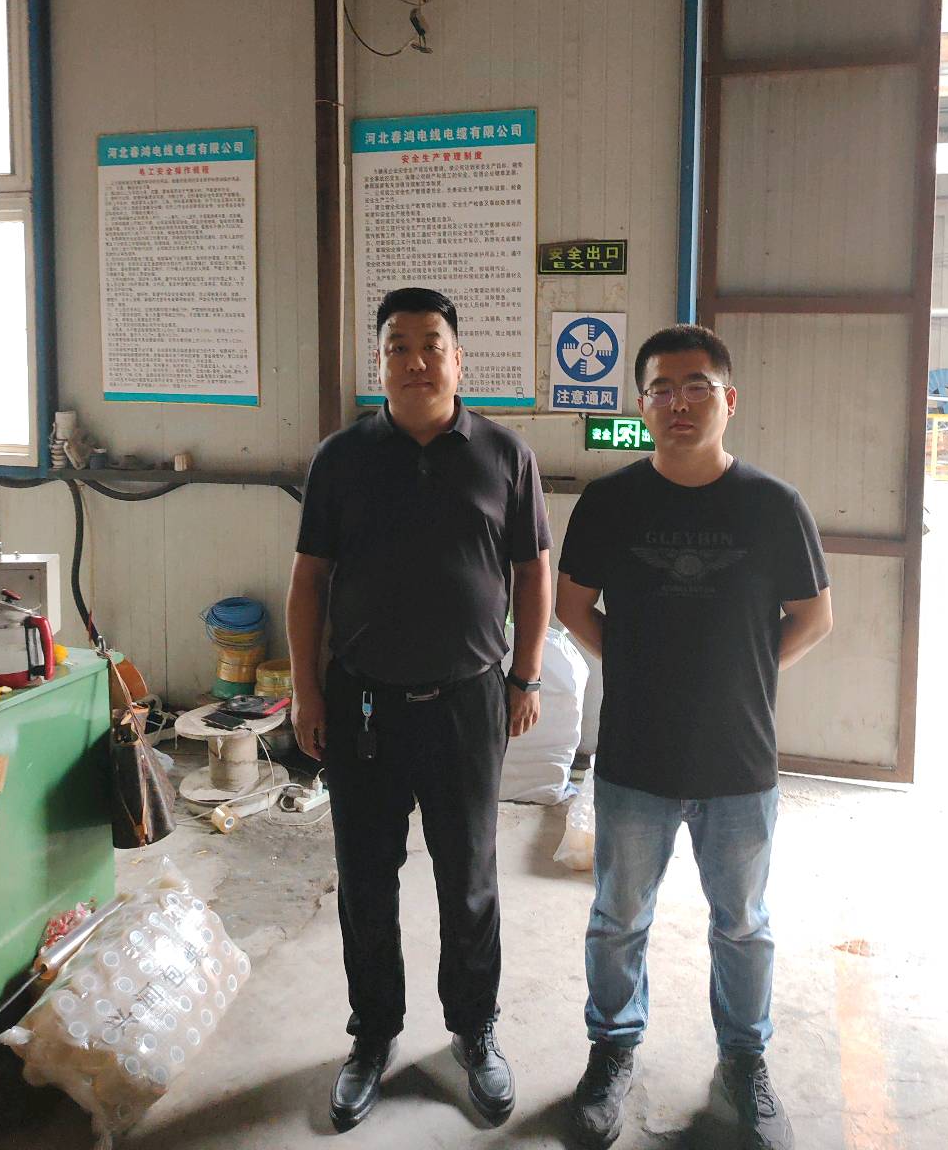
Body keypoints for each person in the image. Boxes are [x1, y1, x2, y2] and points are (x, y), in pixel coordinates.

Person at [556, 323, 832, 1150]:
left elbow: (814, 617)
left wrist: (747, 673)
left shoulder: (773, 505)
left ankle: (744, 1062)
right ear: (641, 405)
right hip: (634, 756)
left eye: (697, 387)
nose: (679, 403)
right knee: (617, 917)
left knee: (742, 923)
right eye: (662, 389)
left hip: (738, 760)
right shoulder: (610, 502)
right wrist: (631, 664)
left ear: (729, 399)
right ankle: (612, 1049)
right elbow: (572, 606)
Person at [286, 287, 552, 1132]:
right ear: (380, 363)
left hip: (468, 704)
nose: (415, 360)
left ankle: (474, 1031)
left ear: (458, 359)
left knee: (468, 877)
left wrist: (526, 677)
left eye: (431, 344)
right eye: (397, 346)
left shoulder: (504, 454)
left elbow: (534, 570)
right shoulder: (341, 458)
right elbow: (309, 579)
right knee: (367, 880)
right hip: (362, 704)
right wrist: (307, 691)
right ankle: (373, 1035)